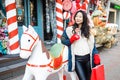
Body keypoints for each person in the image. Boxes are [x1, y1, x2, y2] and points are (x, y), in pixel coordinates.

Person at [61, 10, 100, 80]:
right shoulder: (69, 30)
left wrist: (96, 54)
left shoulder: (88, 30)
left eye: (80, 17)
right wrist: (71, 39)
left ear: (84, 18)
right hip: (77, 60)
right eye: (76, 16)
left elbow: (92, 45)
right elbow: (63, 41)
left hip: (88, 59)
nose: (77, 18)